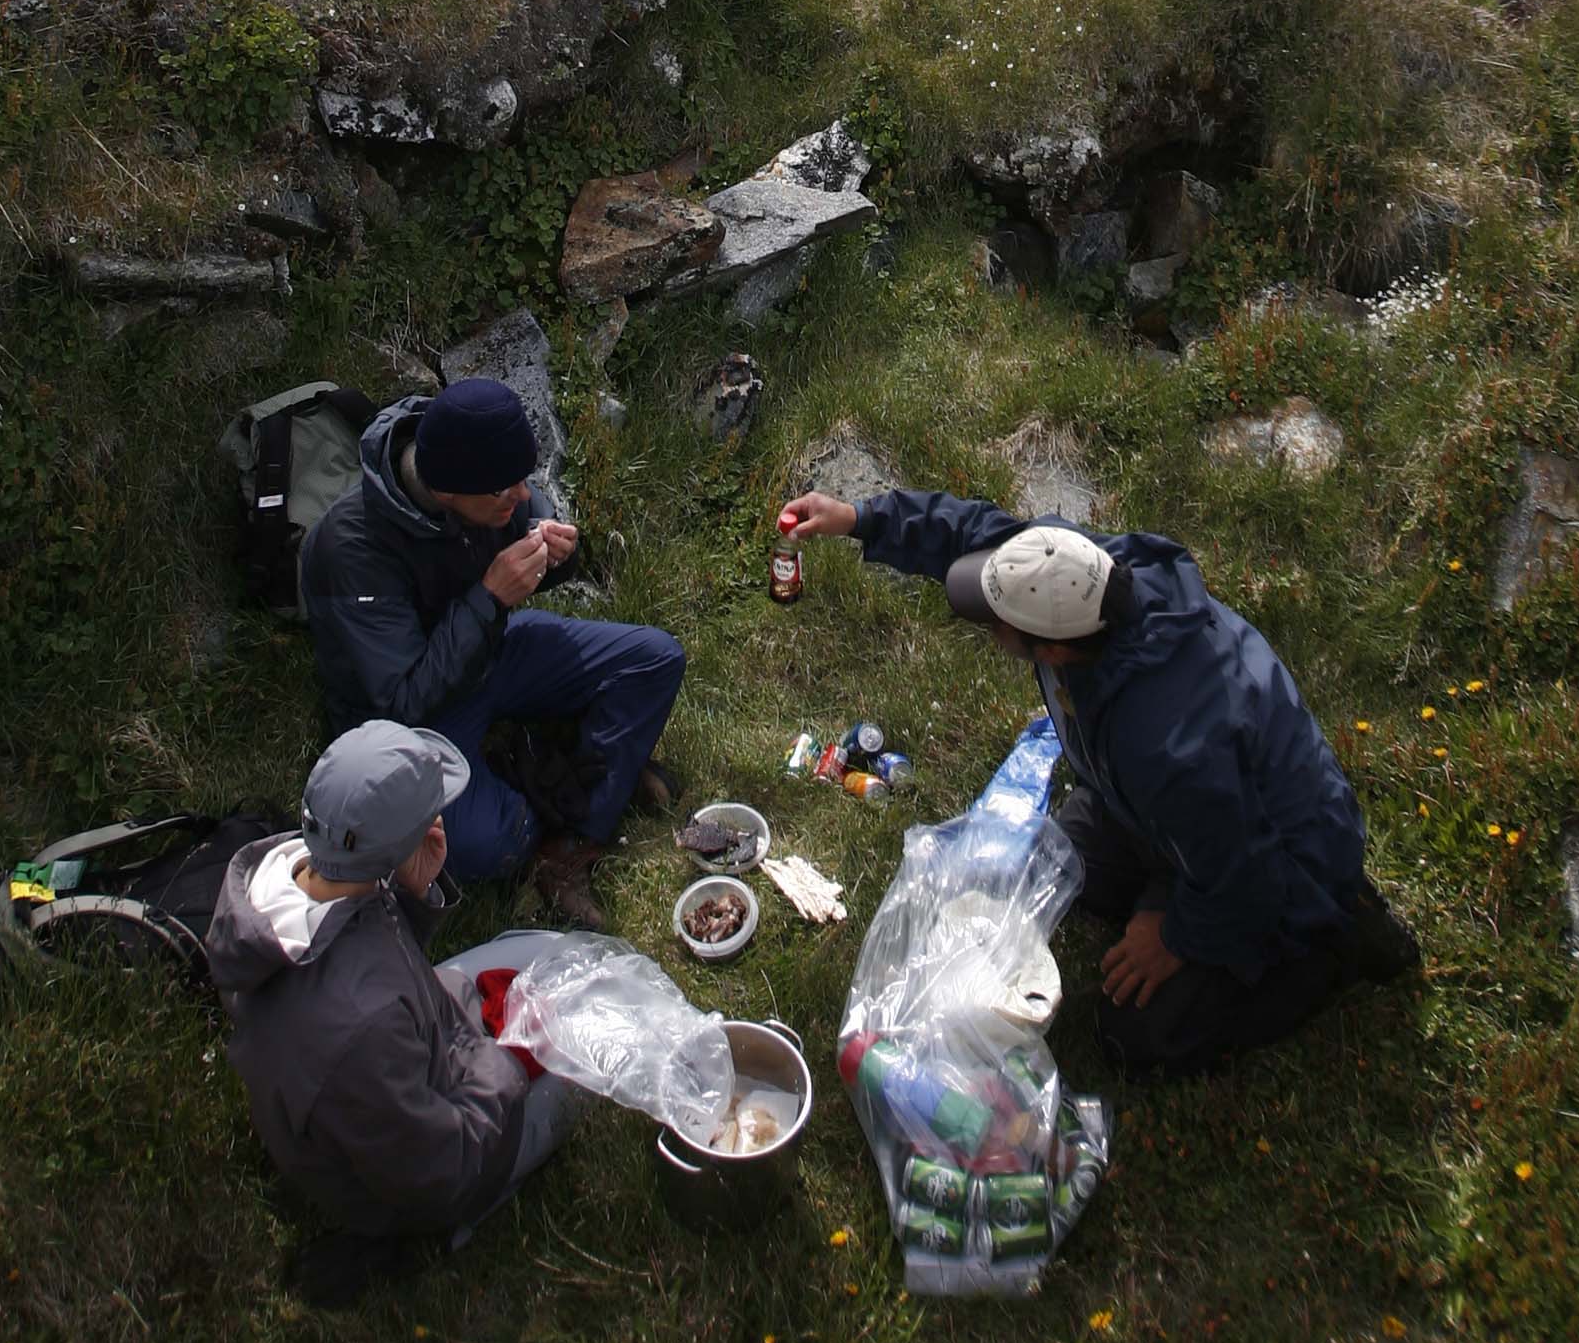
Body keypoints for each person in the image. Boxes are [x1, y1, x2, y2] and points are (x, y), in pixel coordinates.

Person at [776, 484, 1419, 1074]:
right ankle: (1168, 878)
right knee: (1057, 857)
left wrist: (1170, 933)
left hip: (1281, 867)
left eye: (996, 620)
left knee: (1134, 1033)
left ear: (1052, 649)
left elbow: (1242, 872)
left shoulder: (1166, 741)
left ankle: (1336, 945)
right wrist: (858, 519)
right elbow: (975, 534)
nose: (987, 621)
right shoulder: (1079, 570)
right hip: (1184, 814)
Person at [207, 719, 583, 1300]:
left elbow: (376, 955)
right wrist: (502, 1060)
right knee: (584, 1058)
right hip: (405, 1166)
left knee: (553, 954)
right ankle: (434, 1238)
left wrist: (415, 889)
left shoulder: (297, 867)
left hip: (384, 1069)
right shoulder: (362, 1027)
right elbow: (444, 1169)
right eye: (429, 815)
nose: (440, 818)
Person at [301, 374, 685, 928]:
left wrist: (559, 554)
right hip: (412, 719)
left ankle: (570, 841)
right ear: (449, 493)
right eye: (506, 491)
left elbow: (530, 525)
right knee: (494, 843)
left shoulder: (486, 477)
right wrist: (489, 597)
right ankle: (569, 773)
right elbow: (403, 700)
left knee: (655, 658)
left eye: (523, 481)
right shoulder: (351, 549)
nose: (524, 496)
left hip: (492, 652)